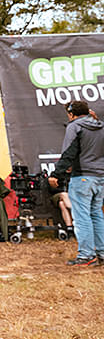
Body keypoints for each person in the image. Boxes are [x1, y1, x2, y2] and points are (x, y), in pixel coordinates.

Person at [53, 101, 104, 266]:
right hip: (100, 176)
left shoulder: (75, 126)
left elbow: (69, 152)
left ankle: (87, 255)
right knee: (96, 214)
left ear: (71, 114)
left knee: (82, 216)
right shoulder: (100, 126)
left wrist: (56, 174)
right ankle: (101, 253)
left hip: (82, 177)